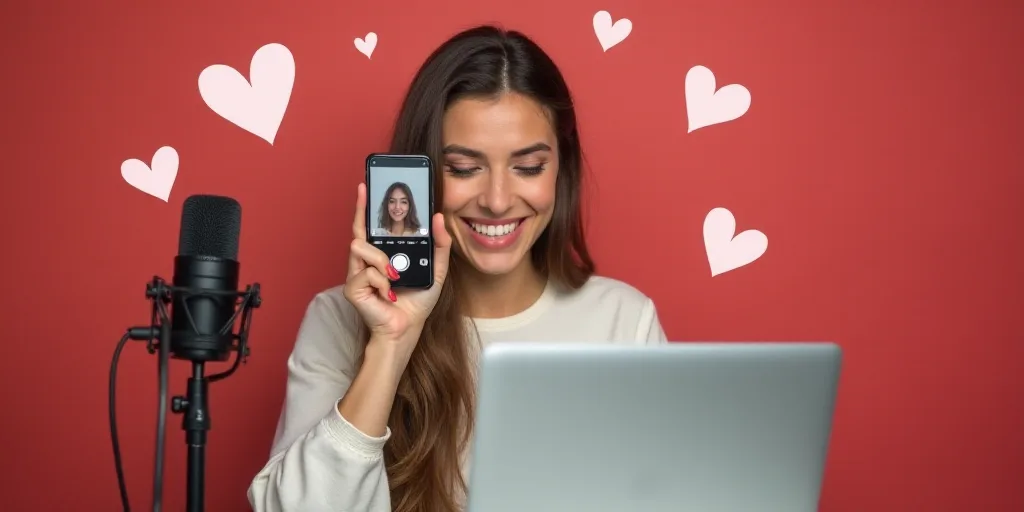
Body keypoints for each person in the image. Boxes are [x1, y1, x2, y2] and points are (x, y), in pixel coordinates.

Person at [247, 25, 667, 512]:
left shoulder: (625, 322)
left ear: (561, 169)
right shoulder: (338, 319)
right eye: (464, 169)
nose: (497, 200)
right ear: (420, 173)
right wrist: (391, 345)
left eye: (528, 167)